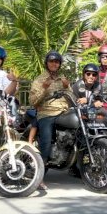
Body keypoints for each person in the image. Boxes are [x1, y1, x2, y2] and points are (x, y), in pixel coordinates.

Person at [29, 51, 72, 190]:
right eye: (51, 61)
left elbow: (71, 96)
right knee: (46, 140)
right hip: (46, 113)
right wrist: (44, 88)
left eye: (57, 62)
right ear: (47, 63)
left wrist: (67, 87)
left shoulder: (62, 78)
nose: (54, 64)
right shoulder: (39, 80)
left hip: (64, 112)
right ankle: (39, 176)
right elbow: (33, 102)